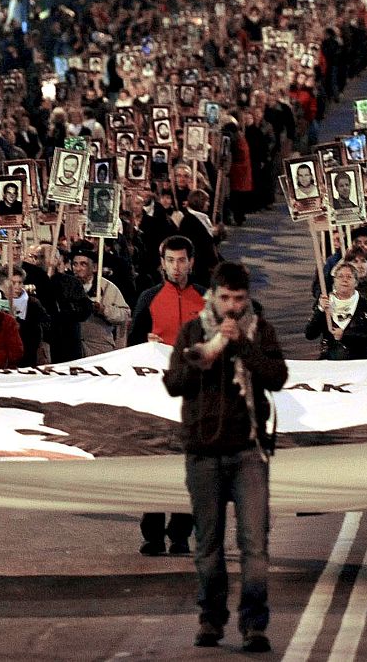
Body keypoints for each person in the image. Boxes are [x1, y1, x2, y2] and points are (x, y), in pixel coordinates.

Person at [164, 261, 288, 653]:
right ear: (213, 297)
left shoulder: (260, 330)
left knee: (254, 545)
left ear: (246, 298)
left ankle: (254, 624)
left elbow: (277, 377)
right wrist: (211, 353)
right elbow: (174, 383)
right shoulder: (192, 330)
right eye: (225, 298)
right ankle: (211, 619)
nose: (232, 307)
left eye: (239, 299)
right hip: (203, 453)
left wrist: (241, 346)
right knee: (208, 545)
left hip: (247, 452)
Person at [130, 236, 205, 556]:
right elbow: (130, 348)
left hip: (195, 394)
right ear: (162, 263)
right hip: (156, 395)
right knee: (156, 463)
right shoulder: (148, 298)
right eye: (170, 261)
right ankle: (153, 533)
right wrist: (144, 343)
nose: (176, 267)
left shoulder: (205, 298)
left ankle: (180, 534)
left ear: (191, 262)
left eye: (181, 260)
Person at [305, 261, 367, 359]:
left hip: (358, 361)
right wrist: (320, 310)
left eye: (349, 277)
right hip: (330, 360)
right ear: (334, 281)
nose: (344, 280)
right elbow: (310, 334)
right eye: (340, 276)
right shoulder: (325, 303)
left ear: (356, 282)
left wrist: (345, 335)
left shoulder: (366, 306)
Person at [69, 242, 129, 357]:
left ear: (95, 267)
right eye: (75, 264)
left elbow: (124, 314)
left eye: (83, 264)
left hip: (99, 348)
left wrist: (104, 310)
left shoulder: (106, 287)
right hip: (73, 348)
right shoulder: (67, 286)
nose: (78, 269)